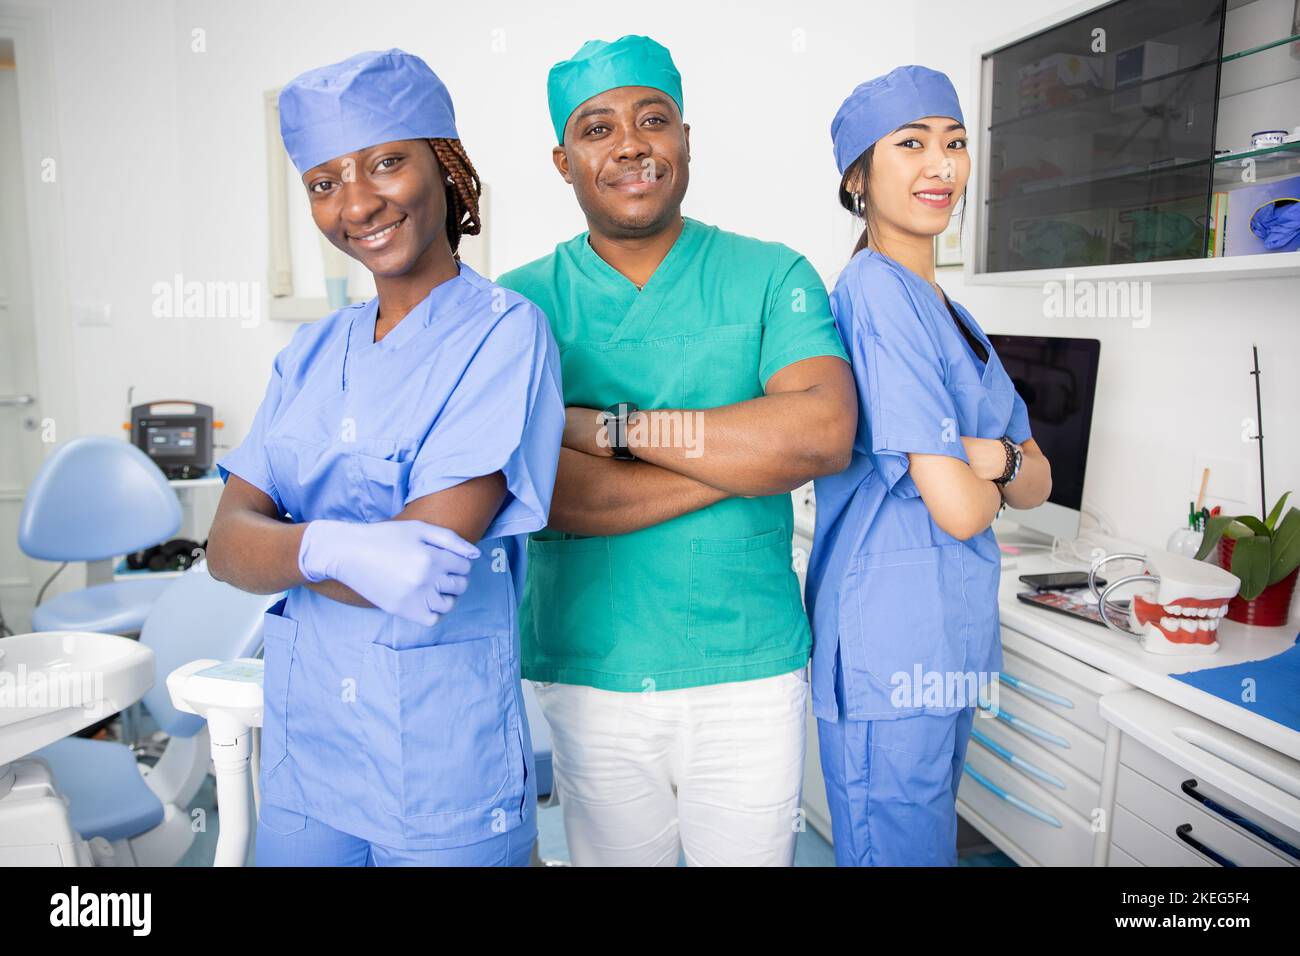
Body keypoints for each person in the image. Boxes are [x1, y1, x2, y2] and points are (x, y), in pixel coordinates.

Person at [496, 35, 857, 867]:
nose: (629, 143)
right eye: (597, 128)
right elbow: (550, 493)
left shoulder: (773, 275)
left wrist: (609, 431)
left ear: (684, 138)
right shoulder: (515, 306)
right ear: (563, 159)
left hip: (748, 666)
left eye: (652, 119)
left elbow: (822, 434)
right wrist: (744, 457)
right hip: (593, 667)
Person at [205, 49, 564, 866]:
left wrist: (287, 542)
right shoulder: (311, 350)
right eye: (324, 182)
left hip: (441, 757)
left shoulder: (505, 333)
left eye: (385, 163)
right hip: (307, 749)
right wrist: (338, 547)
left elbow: (423, 564)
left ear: (444, 163)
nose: (356, 202)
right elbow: (224, 548)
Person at [806, 65, 1053, 867]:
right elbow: (963, 509)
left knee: (924, 844)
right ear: (858, 176)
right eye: (910, 144)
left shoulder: (953, 311)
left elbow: (1036, 480)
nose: (940, 165)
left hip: (950, 635)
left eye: (954, 143)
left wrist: (991, 455)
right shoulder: (874, 293)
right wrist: (999, 465)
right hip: (892, 641)